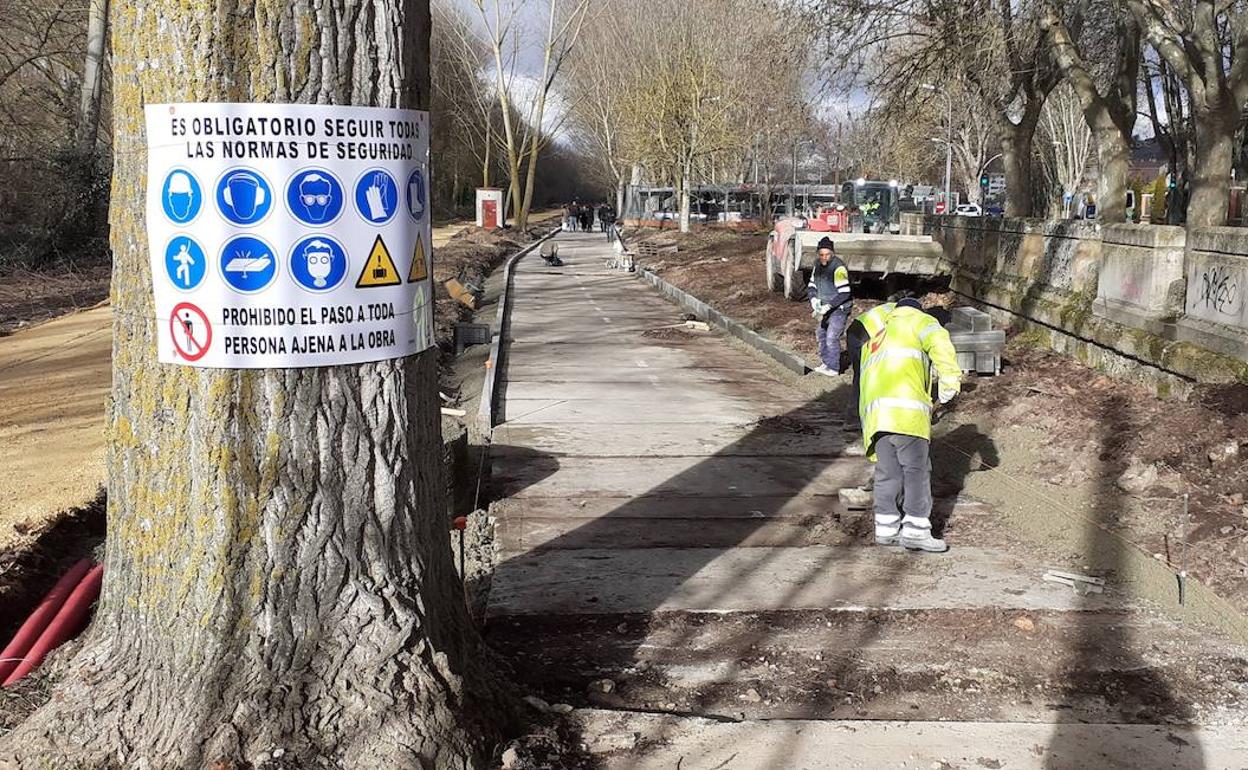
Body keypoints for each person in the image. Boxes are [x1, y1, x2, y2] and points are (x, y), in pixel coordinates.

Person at [859, 297, 961, 553]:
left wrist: (867, 429)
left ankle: (886, 528)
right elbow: (942, 348)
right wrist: (949, 388)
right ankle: (916, 530)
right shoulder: (922, 322)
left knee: (887, 473)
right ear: (917, 309)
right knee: (916, 471)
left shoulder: (876, 338)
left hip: (878, 420)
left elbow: (862, 387)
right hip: (907, 415)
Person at [845, 298, 896, 426]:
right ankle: (862, 418)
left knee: (861, 377)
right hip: (865, 337)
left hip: (854, 332)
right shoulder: (905, 317)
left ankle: (853, 418)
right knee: (870, 378)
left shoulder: (893, 307)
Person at [806, 237, 853, 376]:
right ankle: (826, 362)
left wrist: (830, 305)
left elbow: (844, 293)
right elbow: (812, 285)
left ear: (832, 253)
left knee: (832, 336)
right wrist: (814, 299)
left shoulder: (838, 269)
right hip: (824, 306)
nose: (824, 258)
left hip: (839, 308)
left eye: (827, 254)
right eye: (821, 255)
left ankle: (833, 367)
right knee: (821, 334)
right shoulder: (817, 266)